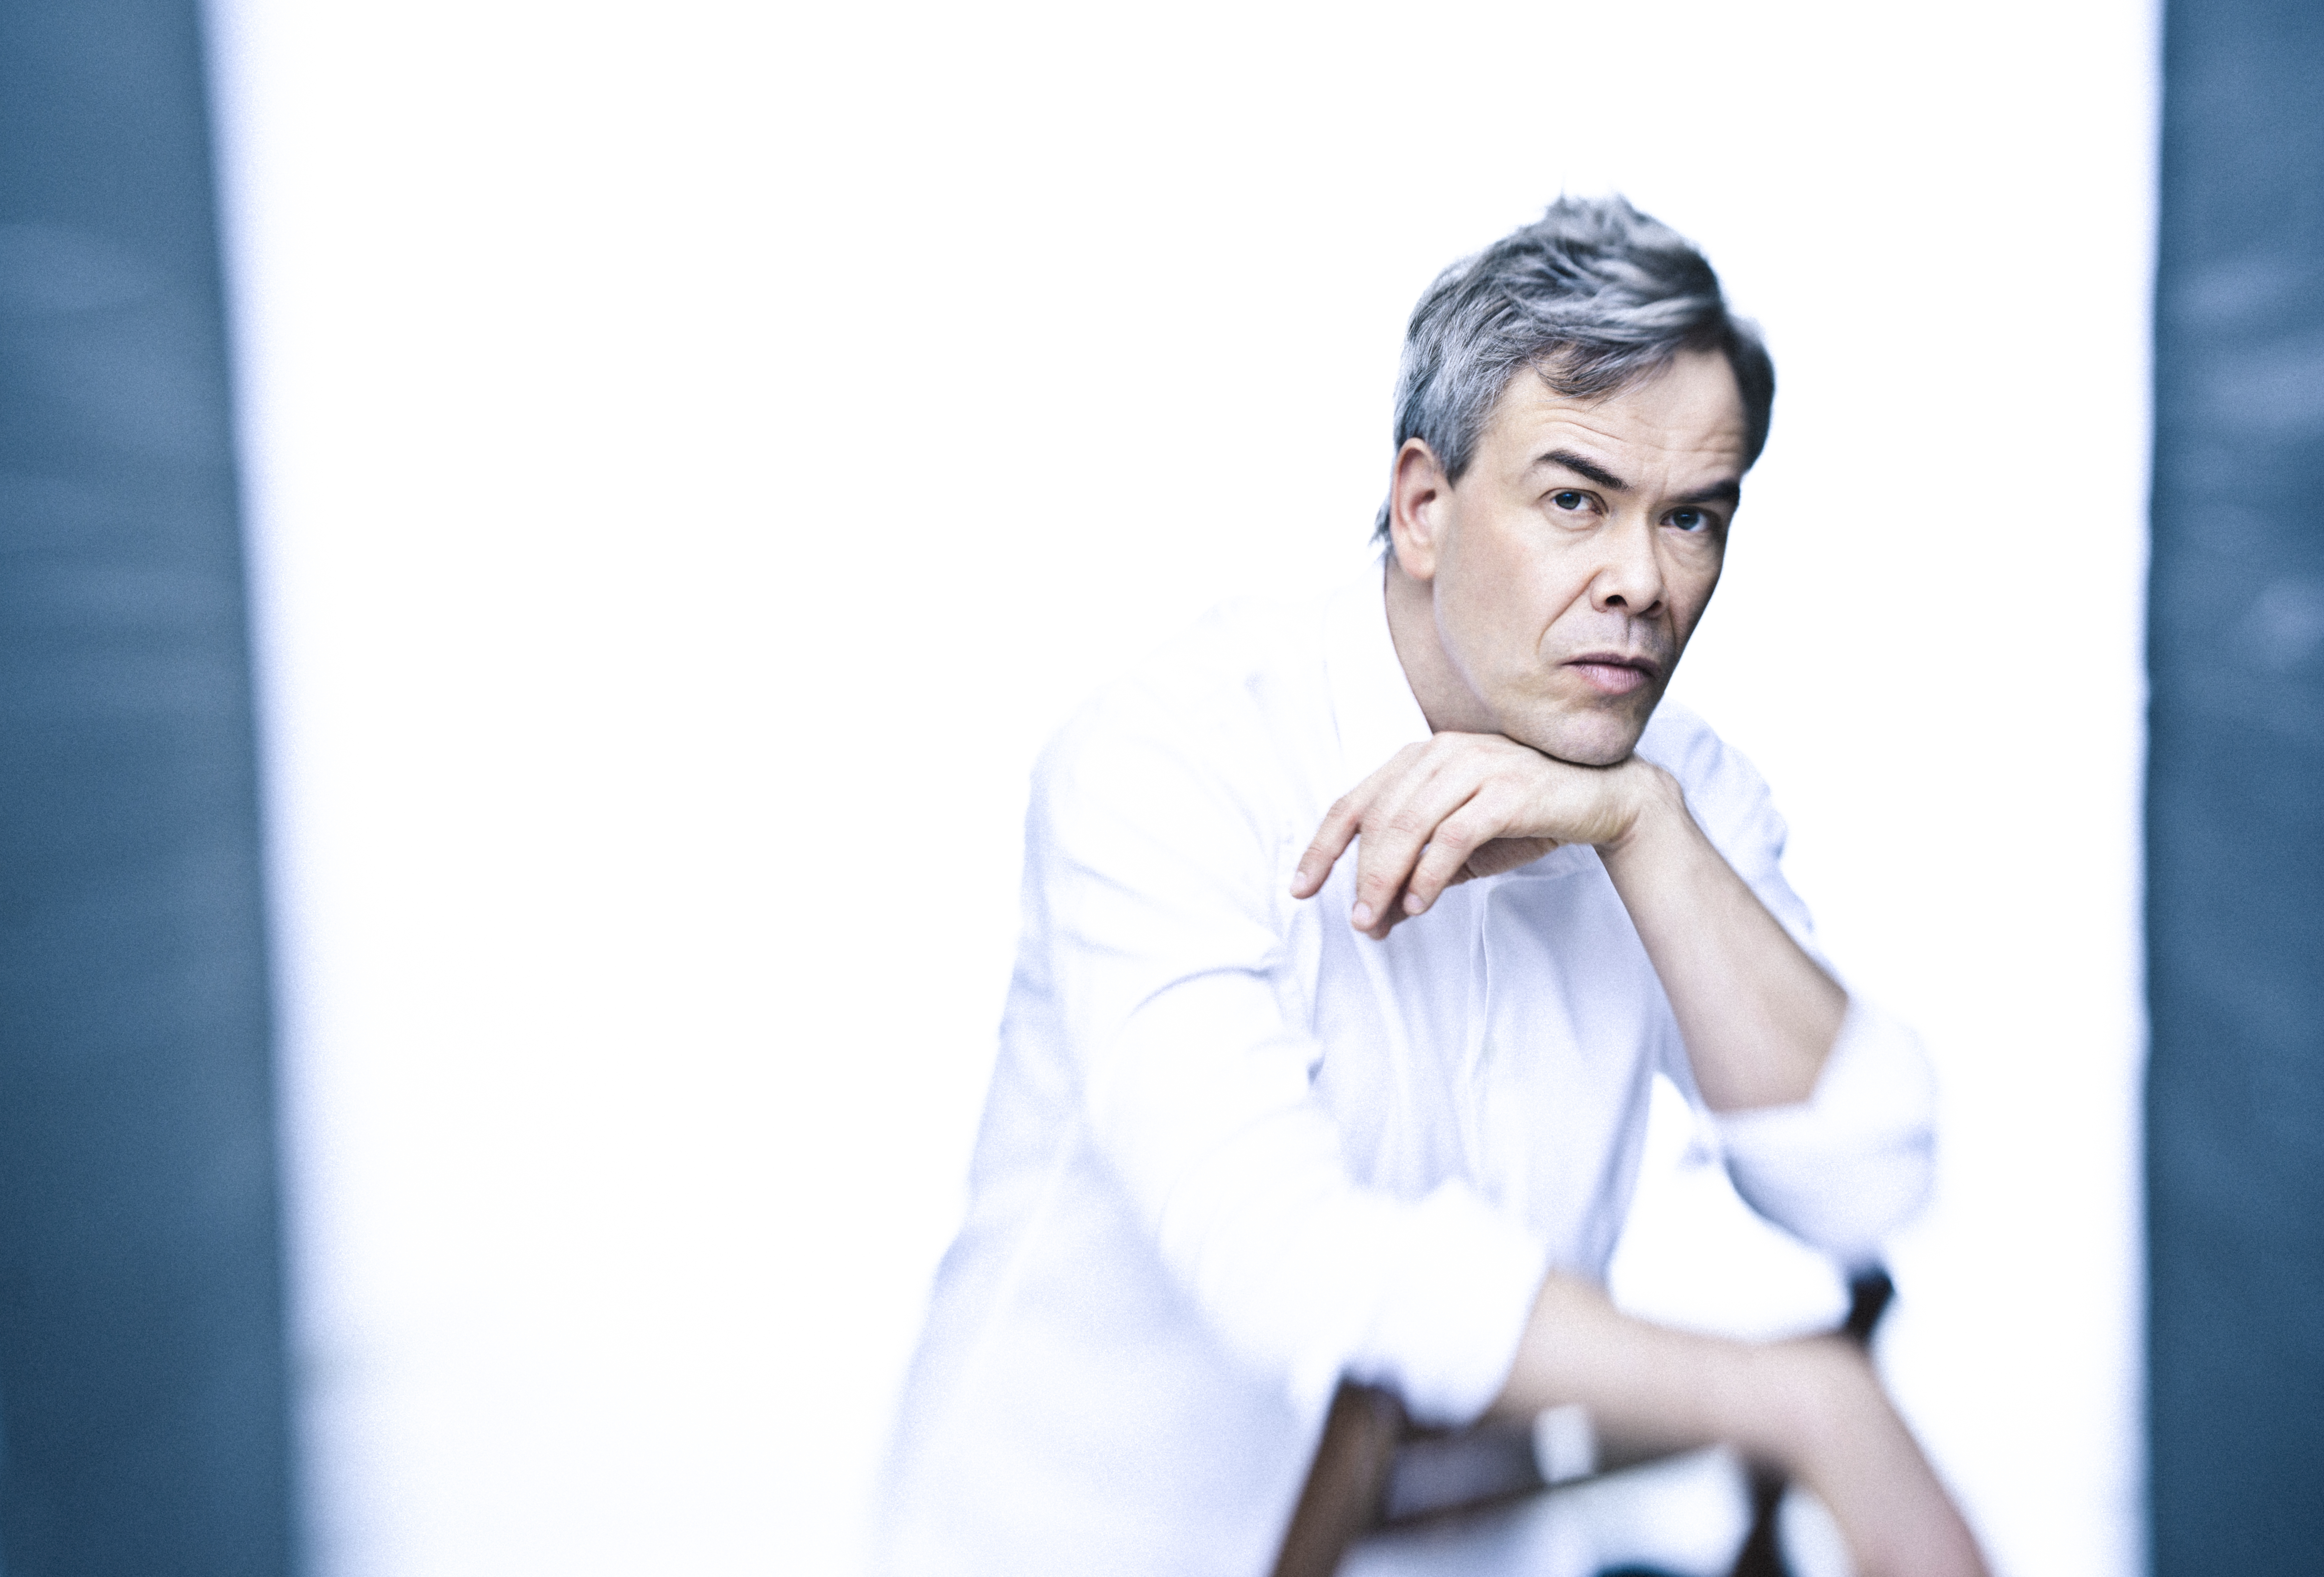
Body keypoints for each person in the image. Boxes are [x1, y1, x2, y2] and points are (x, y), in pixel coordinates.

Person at [876, 196, 1987, 1577]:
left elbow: (1864, 1180)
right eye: (1576, 499)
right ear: (1421, 507)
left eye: (1692, 518)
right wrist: (1802, 1403)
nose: (1642, 580)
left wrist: (1643, 831)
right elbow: (1286, 1261)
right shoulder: (1167, 763)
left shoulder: (1677, 788)